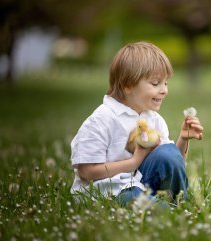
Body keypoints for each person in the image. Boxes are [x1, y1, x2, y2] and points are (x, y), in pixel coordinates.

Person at [70, 41, 203, 207]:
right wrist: (134, 162)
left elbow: (172, 166)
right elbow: (86, 172)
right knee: (156, 211)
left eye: (165, 83)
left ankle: (178, 205)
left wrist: (183, 140)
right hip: (108, 191)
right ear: (127, 85)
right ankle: (167, 211)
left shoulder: (154, 119)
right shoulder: (102, 119)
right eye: (155, 83)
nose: (164, 90)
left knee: (168, 153)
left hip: (141, 184)